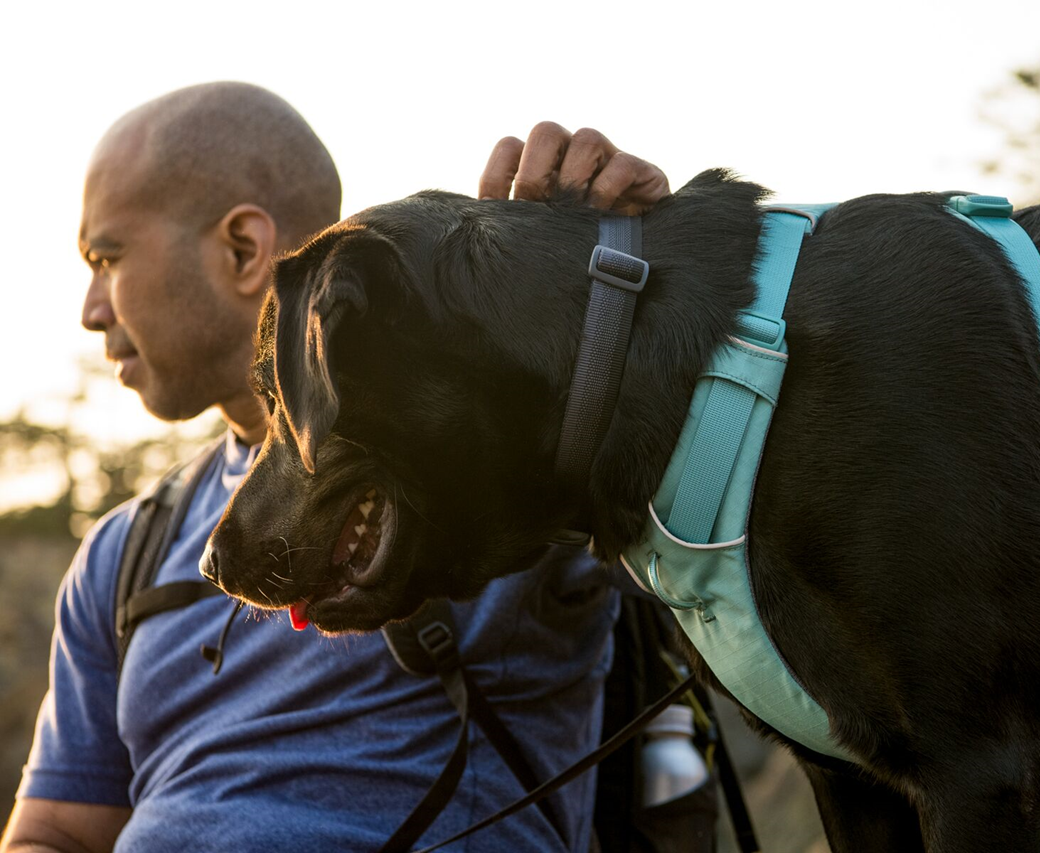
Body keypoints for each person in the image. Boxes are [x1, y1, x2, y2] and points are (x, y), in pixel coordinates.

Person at [2, 82, 671, 853]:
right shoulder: (121, 556)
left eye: (106, 257)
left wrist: (610, 258)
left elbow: (694, 479)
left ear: (243, 249)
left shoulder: (488, 448)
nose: (90, 308)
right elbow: (52, 832)